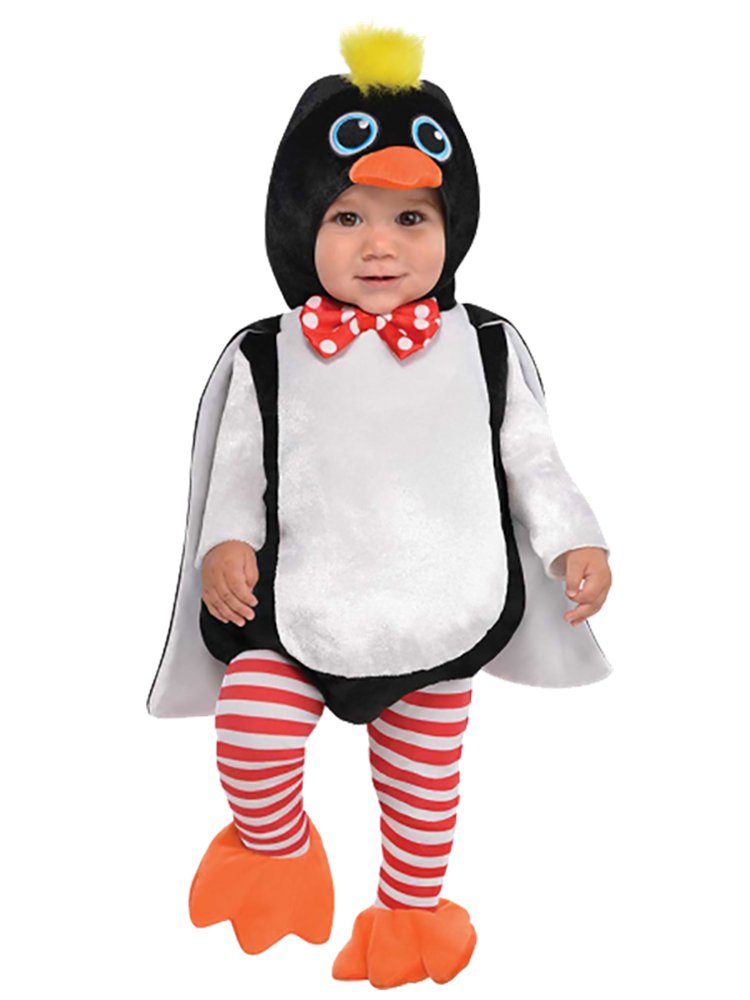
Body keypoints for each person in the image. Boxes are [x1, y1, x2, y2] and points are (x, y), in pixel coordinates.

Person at [148, 24, 613, 989]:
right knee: (250, 731)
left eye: (410, 218)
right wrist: (225, 543)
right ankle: (276, 852)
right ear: (299, 225)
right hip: (297, 607)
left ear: (453, 227)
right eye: (348, 216)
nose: (379, 245)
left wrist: (576, 542)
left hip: (443, 610)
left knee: (424, 793)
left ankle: (409, 917)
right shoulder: (270, 353)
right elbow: (238, 470)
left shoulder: (481, 347)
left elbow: (534, 464)